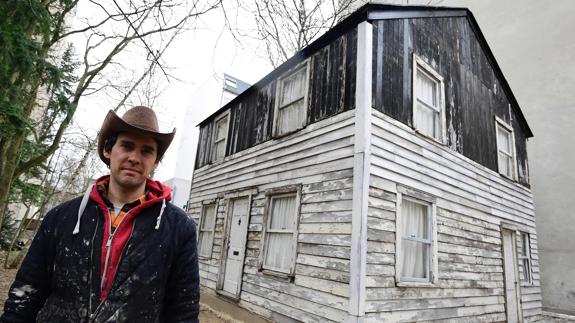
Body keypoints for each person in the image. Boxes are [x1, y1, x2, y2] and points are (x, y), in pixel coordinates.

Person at [1, 106, 200, 322]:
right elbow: (24, 298)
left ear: (156, 161)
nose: (134, 157)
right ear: (108, 150)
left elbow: (183, 313)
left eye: (146, 151)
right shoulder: (61, 218)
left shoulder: (178, 229)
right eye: (127, 146)